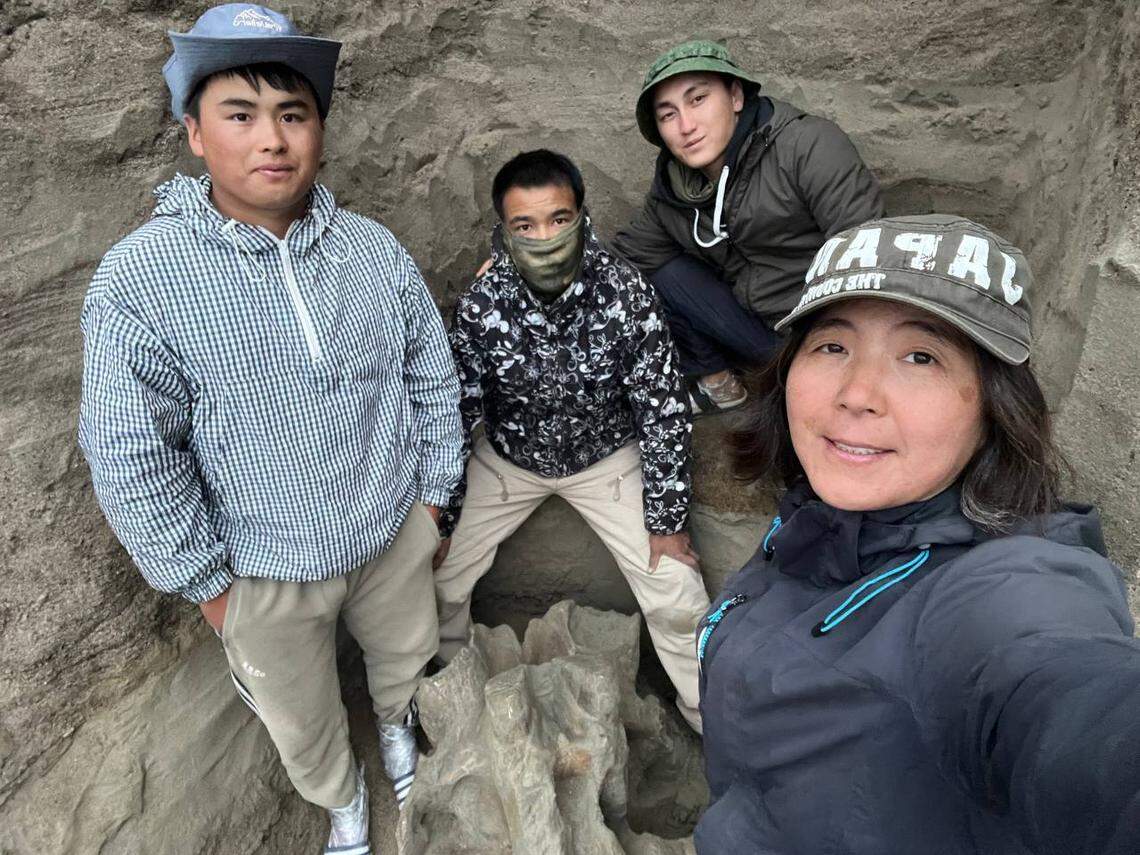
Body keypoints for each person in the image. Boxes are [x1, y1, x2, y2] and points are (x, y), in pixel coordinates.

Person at [77, 6, 462, 853]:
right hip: (263, 571)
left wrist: (432, 500)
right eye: (240, 115)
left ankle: (399, 729)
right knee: (302, 714)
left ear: (320, 129)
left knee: (405, 656)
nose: (272, 140)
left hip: (391, 530)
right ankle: (344, 801)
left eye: (293, 114)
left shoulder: (371, 248)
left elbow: (428, 370)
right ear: (192, 131)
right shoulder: (141, 278)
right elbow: (130, 451)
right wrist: (212, 586)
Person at [695, 214, 1140, 853]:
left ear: (993, 405)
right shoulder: (816, 523)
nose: (856, 393)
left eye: (920, 356)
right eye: (832, 345)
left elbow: (1067, 699)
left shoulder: (1001, 591)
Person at [434, 149, 710, 732]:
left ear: (583, 217)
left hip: (605, 458)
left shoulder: (626, 294)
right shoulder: (483, 306)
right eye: (524, 226)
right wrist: (445, 516)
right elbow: (457, 409)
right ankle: (459, 708)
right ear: (502, 232)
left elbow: (660, 408)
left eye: (559, 219)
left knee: (676, 590)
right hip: (510, 460)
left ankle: (712, 718)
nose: (544, 238)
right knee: (433, 577)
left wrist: (666, 518)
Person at [614, 39, 883, 412]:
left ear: (736, 96)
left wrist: (834, 356)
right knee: (647, 274)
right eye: (668, 115)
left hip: (825, 338)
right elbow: (618, 260)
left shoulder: (808, 146)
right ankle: (719, 384)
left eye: (698, 100)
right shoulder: (674, 192)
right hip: (755, 333)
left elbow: (868, 262)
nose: (686, 126)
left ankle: (803, 391)